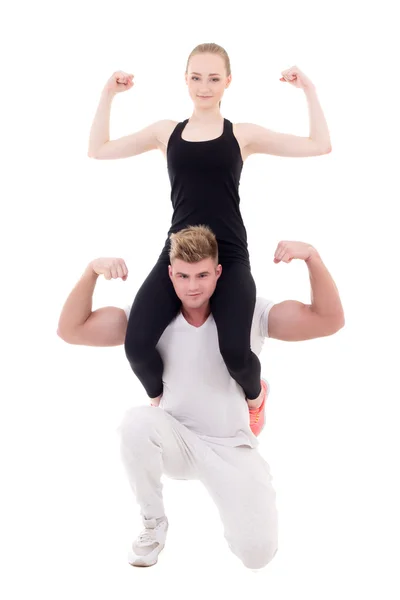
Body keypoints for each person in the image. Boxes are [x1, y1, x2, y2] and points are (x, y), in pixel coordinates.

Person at [57, 226, 344, 569]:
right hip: (176, 439)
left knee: (257, 555)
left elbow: (329, 321)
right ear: (170, 275)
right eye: (183, 276)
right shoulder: (147, 319)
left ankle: (256, 406)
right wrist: (91, 271)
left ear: (219, 271)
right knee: (135, 423)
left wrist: (312, 256)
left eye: (203, 275)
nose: (193, 286)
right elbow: (71, 330)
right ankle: (154, 523)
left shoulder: (249, 313)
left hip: (229, 447)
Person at [87, 43, 332, 417]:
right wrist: (108, 94)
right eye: (197, 77)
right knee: (136, 347)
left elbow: (319, 145)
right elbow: (99, 149)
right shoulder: (165, 132)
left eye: (214, 78)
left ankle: (255, 399)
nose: (205, 86)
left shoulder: (241, 135)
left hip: (228, 254)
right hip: (179, 256)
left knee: (235, 351)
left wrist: (308, 90)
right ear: (185, 80)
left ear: (227, 82)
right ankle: (160, 400)